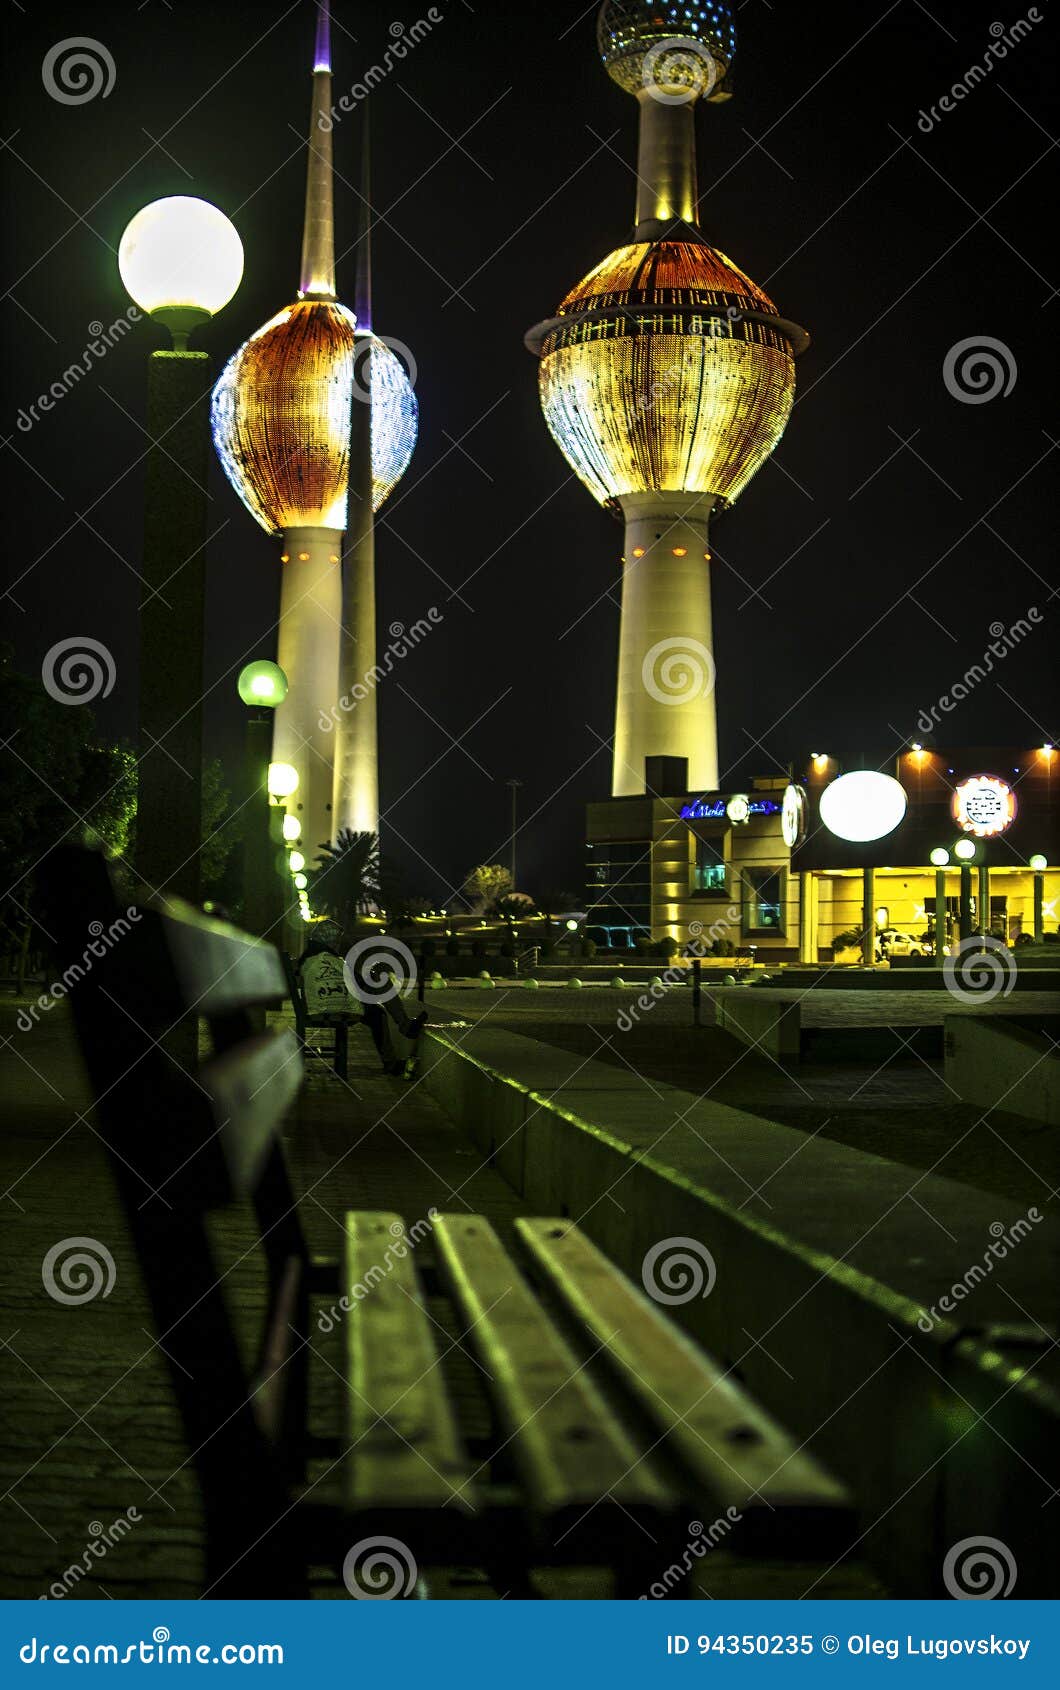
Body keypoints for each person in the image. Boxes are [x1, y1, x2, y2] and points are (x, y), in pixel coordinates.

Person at [298, 941, 427, 1077]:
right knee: (378, 990)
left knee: (376, 1011)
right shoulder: (329, 959)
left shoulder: (307, 961)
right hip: (337, 1008)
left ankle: (397, 1046)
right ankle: (403, 1029)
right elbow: (355, 980)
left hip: (320, 1006)